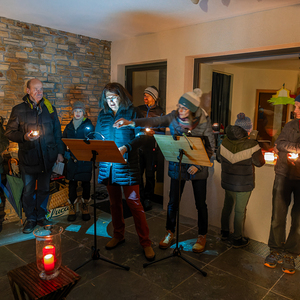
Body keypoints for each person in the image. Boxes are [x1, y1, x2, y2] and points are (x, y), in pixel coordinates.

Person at [114, 88, 215, 253]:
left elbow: (211, 148)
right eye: (179, 106)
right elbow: (156, 121)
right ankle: (170, 232)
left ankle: (202, 235)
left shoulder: (203, 122)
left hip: (198, 168)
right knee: (173, 202)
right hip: (178, 165)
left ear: (193, 110)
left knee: (200, 204)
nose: (180, 110)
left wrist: (198, 164)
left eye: (184, 108)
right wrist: (131, 122)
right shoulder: (173, 117)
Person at [95, 82, 155, 261]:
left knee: (134, 203)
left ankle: (146, 242)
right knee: (114, 203)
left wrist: (126, 147)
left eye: (114, 97)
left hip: (128, 166)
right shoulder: (103, 115)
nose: (111, 101)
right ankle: (118, 235)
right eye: (108, 98)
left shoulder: (133, 112)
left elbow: (143, 136)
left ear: (122, 96)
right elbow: (98, 135)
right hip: (109, 166)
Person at [5, 78, 64, 233]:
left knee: (44, 189)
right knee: (28, 191)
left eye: (41, 89)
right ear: (28, 91)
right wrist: (24, 137)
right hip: (29, 159)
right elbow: (9, 132)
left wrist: (59, 152)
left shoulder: (50, 109)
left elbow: (57, 132)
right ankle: (30, 218)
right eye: (36, 89)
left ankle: (41, 216)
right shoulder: (18, 109)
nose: (39, 92)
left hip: (47, 157)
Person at [216, 113, 265, 248]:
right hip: (243, 184)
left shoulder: (224, 141)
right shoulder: (252, 144)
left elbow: (219, 158)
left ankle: (224, 232)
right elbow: (259, 163)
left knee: (227, 206)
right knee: (239, 211)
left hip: (228, 181)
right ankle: (237, 238)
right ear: (248, 130)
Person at [264, 94, 300, 275]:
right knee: (278, 216)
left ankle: (291, 254)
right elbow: (279, 143)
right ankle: (275, 250)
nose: (295, 110)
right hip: (283, 175)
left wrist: (288, 148)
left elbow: (283, 146)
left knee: (299, 221)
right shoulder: (290, 125)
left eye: (298, 107)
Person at [63, 101, 94, 222]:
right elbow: (63, 141)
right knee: (72, 184)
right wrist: (66, 155)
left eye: (80, 111)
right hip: (72, 160)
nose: (78, 113)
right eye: (76, 111)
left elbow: (92, 140)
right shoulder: (69, 126)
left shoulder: (88, 125)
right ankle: (72, 208)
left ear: (83, 112)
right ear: (73, 112)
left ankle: (85, 206)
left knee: (86, 183)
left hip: (85, 160)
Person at [137, 86, 164, 210]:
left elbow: (163, 131)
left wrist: (155, 133)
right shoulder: (139, 110)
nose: (144, 98)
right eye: (144, 95)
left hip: (151, 148)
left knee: (149, 175)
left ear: (153, 97)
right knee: (137, 174)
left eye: (147, 96)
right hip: (138, 147)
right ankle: (139, 197)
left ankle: (148, 199)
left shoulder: (160, 112)